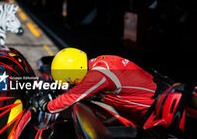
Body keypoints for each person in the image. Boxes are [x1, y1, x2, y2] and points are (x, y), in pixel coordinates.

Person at [36, 48, 171, 121]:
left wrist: (45, 106)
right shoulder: (98, 63)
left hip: (160, 107)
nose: (70, 85)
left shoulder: (98, 75)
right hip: (160, 96)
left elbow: (70, 97)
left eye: (69, 81)